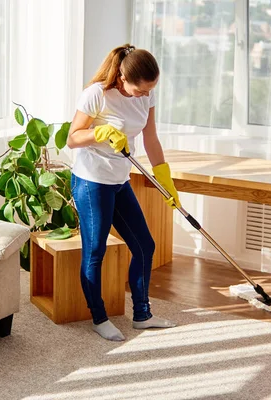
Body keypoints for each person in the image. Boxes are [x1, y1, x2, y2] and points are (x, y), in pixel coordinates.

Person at [66, 44, 180, 341]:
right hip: (92, 181)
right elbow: (73, 138)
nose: (145, 96)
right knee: (95, 252)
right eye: (140, 90)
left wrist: (164, 178)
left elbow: (150, 137)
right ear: (121, 77)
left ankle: (142, 315)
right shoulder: (96, 94)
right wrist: (99, 132)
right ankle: (99, 317)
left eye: (148, 91)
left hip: (120, 179)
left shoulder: (146, 93)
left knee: (144, 246)